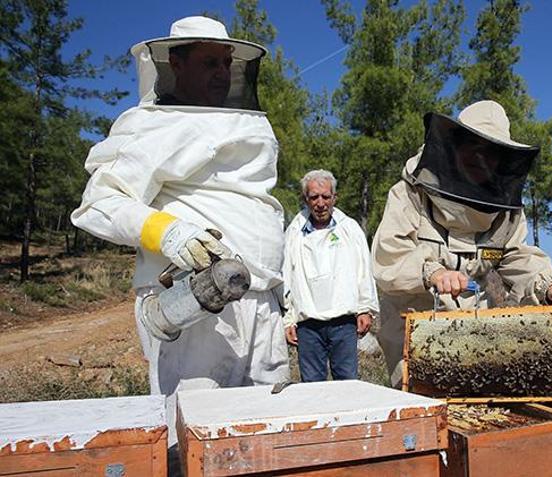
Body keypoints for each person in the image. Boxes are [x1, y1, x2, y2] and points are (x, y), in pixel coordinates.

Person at [71, 16, 289, 434]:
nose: (223, 73)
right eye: (210, 63)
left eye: (227, 63)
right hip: (197, 302)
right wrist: (167, 232)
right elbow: (100, 201)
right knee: (194, 432)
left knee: (269, 434)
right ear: (176, 63)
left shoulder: (248, 122)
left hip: (260, 302)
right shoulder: (151, 124)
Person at [371, 100, 552, 386]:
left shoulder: (504, 211)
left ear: (502, 159)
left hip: (472, 331)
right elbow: (390, 256)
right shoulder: (411, 194)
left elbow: (515, 255)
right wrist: (431, 272)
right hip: (411, 328)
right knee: (423, 415)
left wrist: (548, 285)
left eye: (491, 151)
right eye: (473, 145)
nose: (479, 156)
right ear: (455, 146)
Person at [282, 170, 379, 382]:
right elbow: (286, 277)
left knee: (347, 384)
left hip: (344, 323)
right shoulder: (294, 233)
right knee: (312, 388)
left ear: (335, 197)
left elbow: (364, 270)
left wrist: (366, 309)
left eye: (325, 196)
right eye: (314, 197)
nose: (320, 203)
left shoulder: (349, 229)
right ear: (305, 199)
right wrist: (288, 320)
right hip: (308, 325)